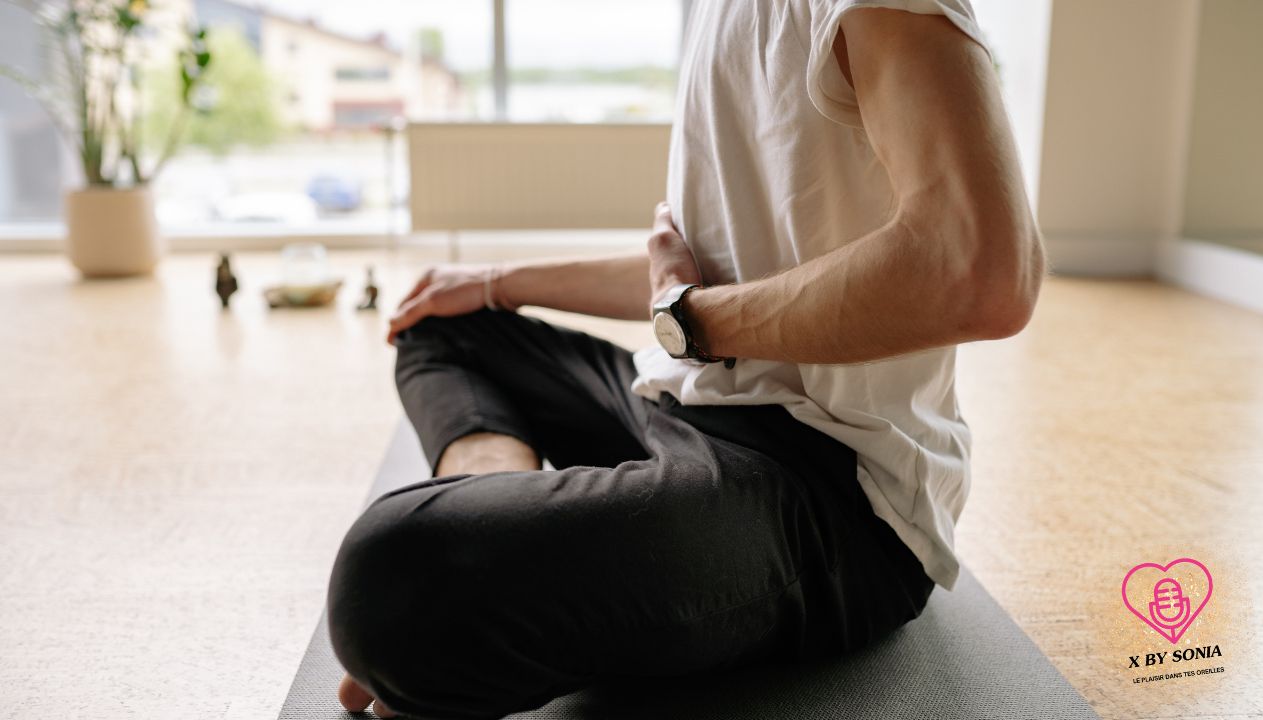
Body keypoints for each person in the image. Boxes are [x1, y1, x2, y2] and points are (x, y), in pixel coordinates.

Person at [327, 0, 1044, 717]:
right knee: (442, 324)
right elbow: (696, 282)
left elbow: (979, 271)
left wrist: (688, 318)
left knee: (386, 573)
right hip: (682, 400)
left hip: (832, 492)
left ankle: (481, 569)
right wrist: (495, 283)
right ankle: (491, 502)